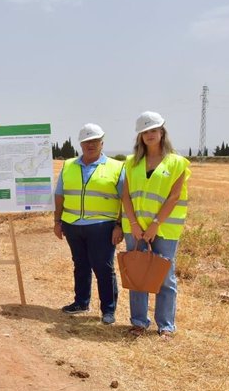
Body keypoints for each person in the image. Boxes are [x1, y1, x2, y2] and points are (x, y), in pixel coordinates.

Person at [121, 111, 190, 341]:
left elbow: (174, 197)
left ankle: (166, 325)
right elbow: (126, 196)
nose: (149, 135)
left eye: (153, 130)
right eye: (145, 132)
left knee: (165, 277)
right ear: (140, 136)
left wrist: (154, 225)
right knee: (138, 274)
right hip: (136, 228)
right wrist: (134, 224)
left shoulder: (177, 162)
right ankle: (139, 322)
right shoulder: (131, 163)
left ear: (162, 132)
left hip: (165, 229)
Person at [54, 123, 125, 325]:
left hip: (102, 226)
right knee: (81, 265)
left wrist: (120, 225)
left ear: (102, 142)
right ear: (81, 144)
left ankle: (108, 310)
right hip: (72, 224)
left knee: (103, 267)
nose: (90, 144)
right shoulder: (68, 166)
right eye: (86, 141)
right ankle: (81, 302)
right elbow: (59, 195)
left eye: (94, 141)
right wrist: (57, 221)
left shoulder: (116, 167)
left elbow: (125, 200)